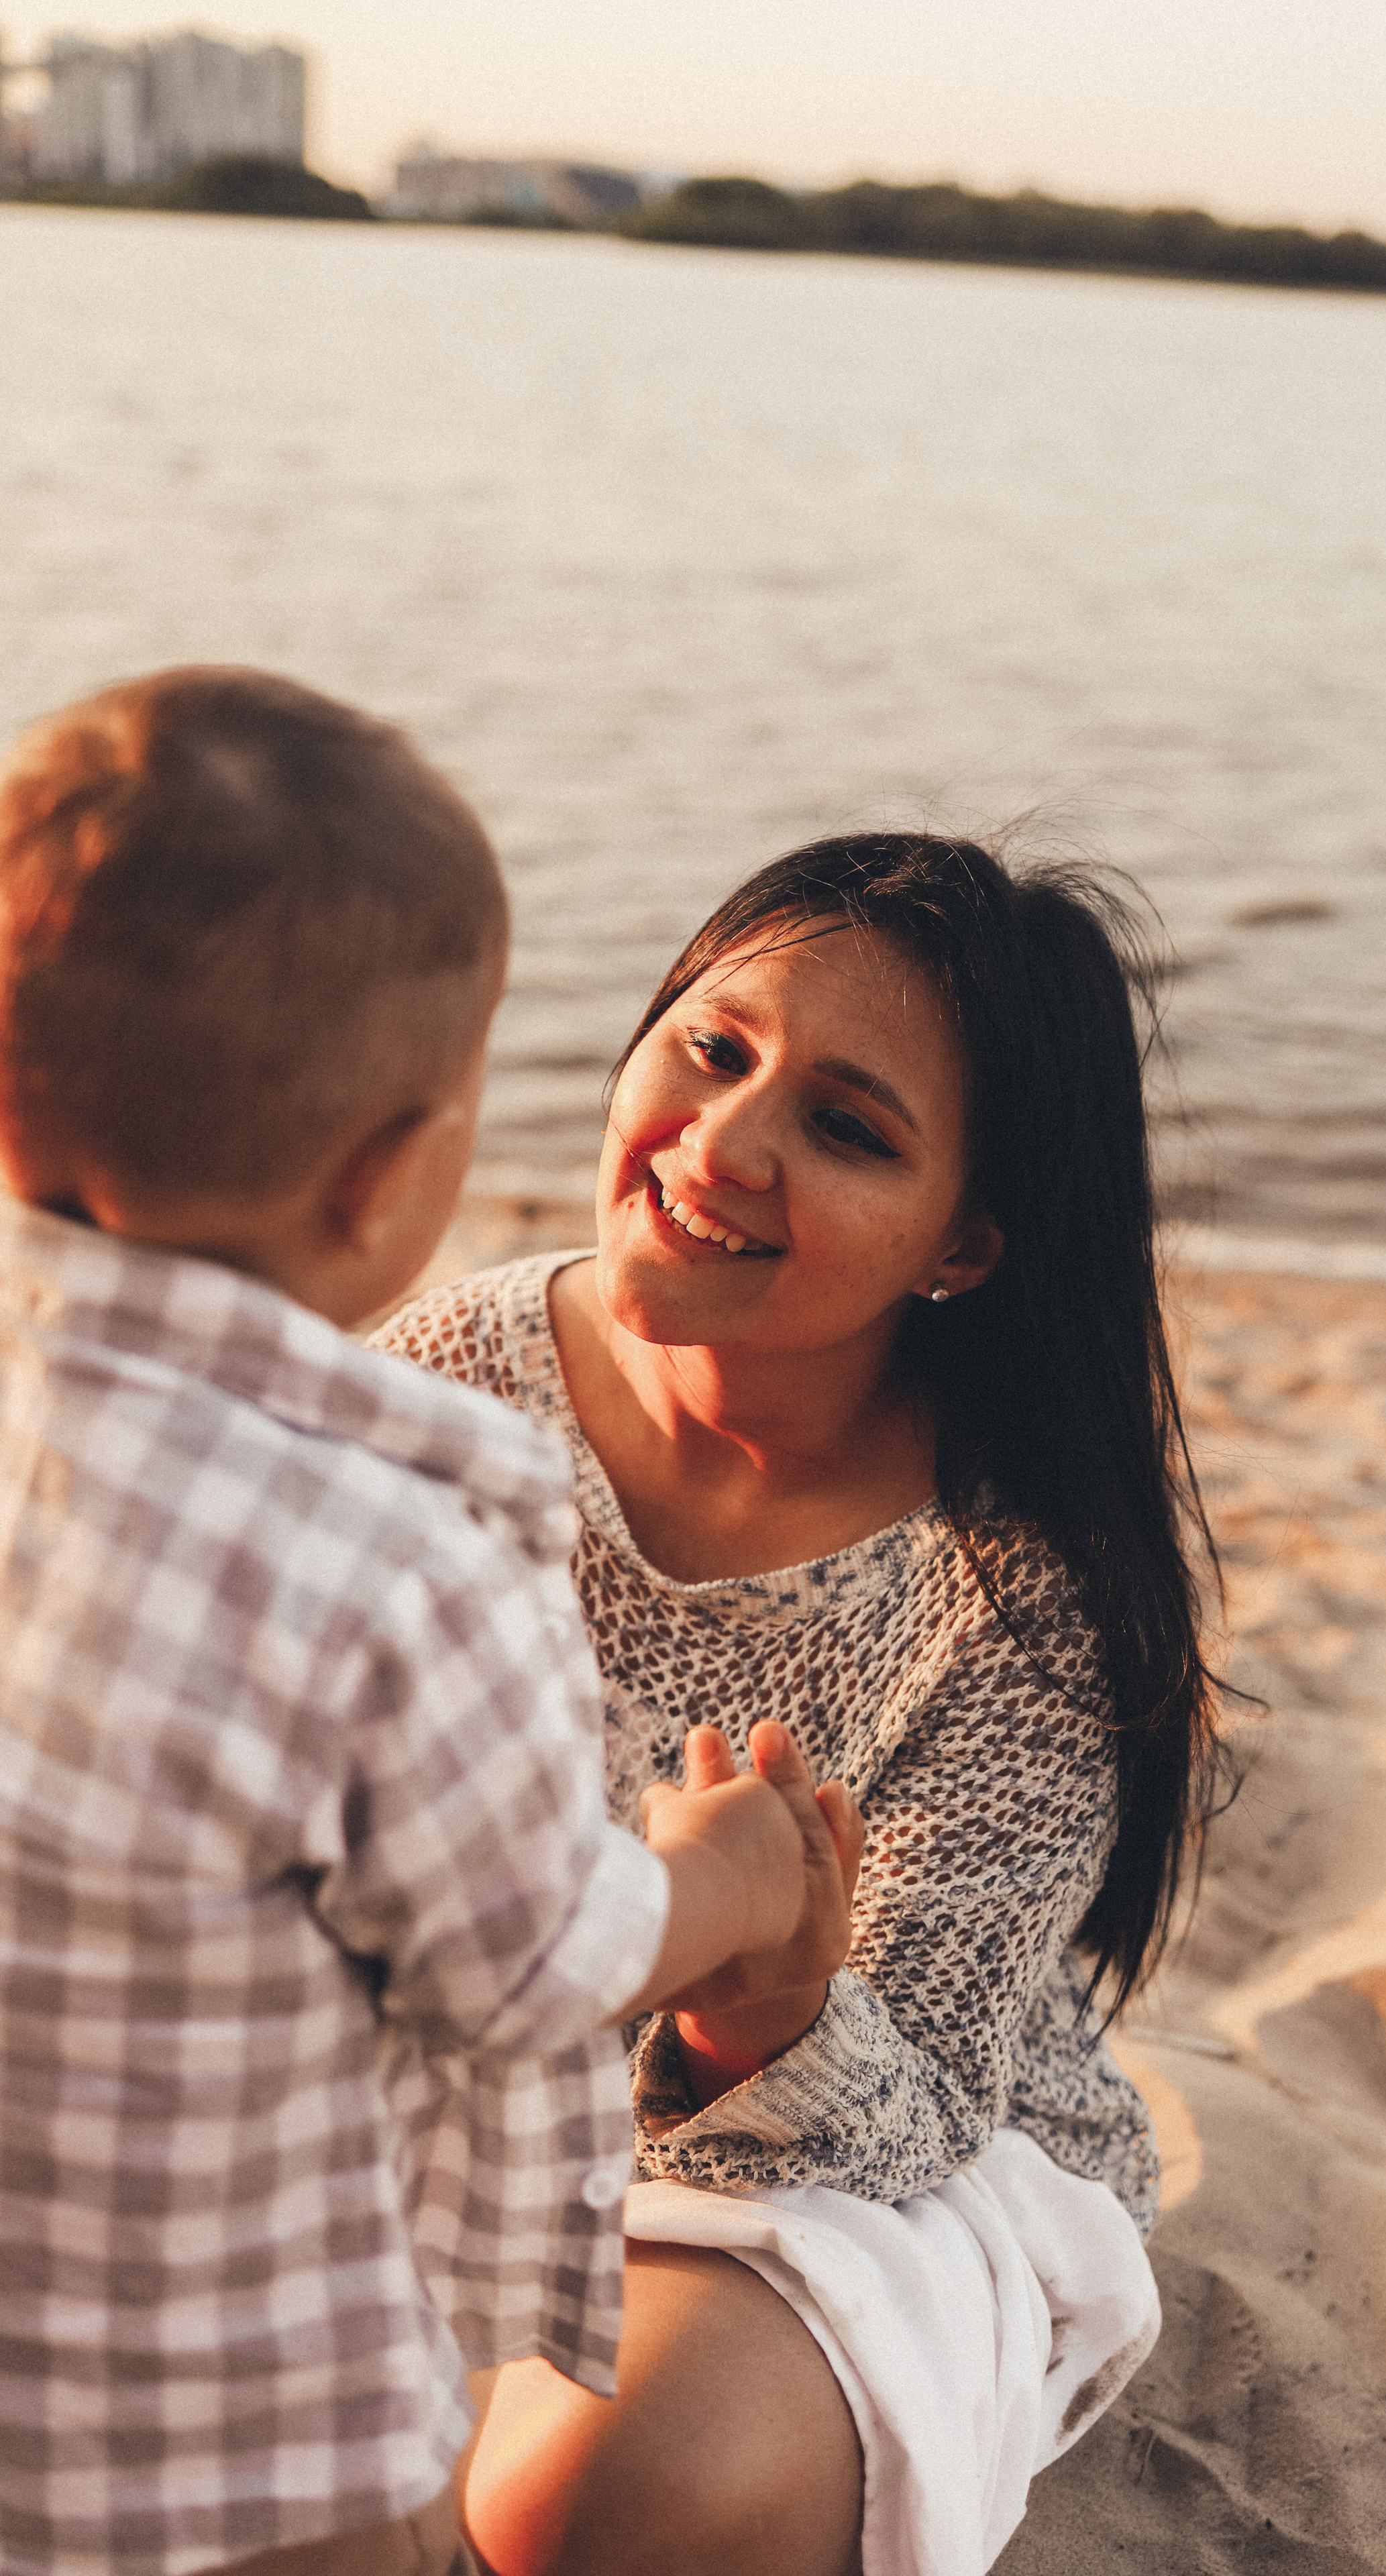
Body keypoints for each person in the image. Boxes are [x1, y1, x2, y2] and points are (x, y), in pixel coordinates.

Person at [0, 669, 857, 2576]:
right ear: (387, 1173)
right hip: (231, 2439)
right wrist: (721, 1880)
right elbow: (525, 1954)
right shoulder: (395, 1547)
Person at [378, 830, 1225, 2576]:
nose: (726, 1143)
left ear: (963, 1243)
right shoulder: (443, 1389)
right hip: (448, 2075)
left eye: (846, 1128)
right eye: (714, 1045)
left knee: (583, 2488)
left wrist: (756, 2005)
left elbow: (914, 2110)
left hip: (867, 2157)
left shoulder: (1016, 1595)